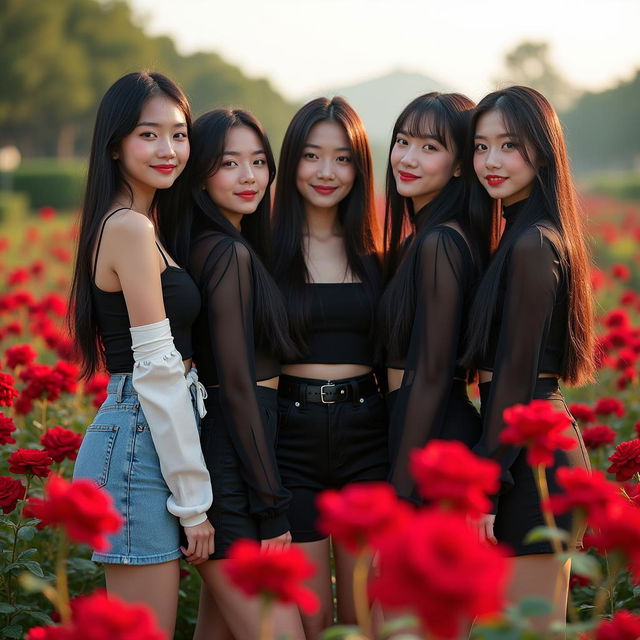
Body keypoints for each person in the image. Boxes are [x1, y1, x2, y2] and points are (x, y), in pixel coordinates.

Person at [70, 71, 214, 637]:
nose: (168, 149)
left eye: (178, 135)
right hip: (138, 445)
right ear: (115, 144)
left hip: (144, 437)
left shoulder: (141, 224)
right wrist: (193, 503)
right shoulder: (128, 228)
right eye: (148, 135)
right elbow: (157, 371)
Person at [465, 85, 594, 627]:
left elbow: (515, 378)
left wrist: (487, 487)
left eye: (509, 146)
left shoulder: (532, 243)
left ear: (541, 150)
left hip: (531, 456)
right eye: (480, 146)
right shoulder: (522, 232)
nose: (491, 162)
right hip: (528, 448)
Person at [183, 108, 305, 640]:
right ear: (201, 172)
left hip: (229, 462)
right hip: (233, 472)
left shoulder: (221, 246)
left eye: (258, 161)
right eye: (229, 163)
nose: (249, 176)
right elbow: (236, 386)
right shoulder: (227, 253)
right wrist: (272, 507)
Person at [271, 97, 387, 637]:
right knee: (314, 620)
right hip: (292, 442)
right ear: (291, 161)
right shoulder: (264, 253)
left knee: (366, 617)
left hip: (369, 435)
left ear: (359, 167)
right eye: (312, 156)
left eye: (342, 158)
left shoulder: (378, 256)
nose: (325, 172)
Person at [379, 92, 480, 502]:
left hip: (435, 445)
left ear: (459, 165)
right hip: (421, 436)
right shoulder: (419, 242)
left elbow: (432, 374)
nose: (408, 158)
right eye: (403, 141)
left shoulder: (440, 242)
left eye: (429, 147)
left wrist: (400, 492)